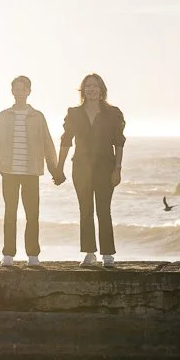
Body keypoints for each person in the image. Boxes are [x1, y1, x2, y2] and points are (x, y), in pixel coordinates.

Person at [0, 76, 62, 268]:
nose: (19, 93)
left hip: (31, 172)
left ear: (29, 91)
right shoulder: (3, 116)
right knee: (10, 213)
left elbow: (48, 144)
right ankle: (8, 254)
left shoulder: (37, 116)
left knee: (32, 214)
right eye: (16, 89)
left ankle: (33, 255)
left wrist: (55, 169)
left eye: (23, 89)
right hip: (9, 172)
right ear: (12, 91)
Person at [57, 73, 127, 267]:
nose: (91, 89)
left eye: (95, 86)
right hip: (81, 167)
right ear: (83, 90)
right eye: (88, 86)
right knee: (85, 209)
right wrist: (59, 167)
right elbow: (65, 141)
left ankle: (107, 255)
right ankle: (89, 253)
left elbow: (119, 142)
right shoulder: (74, 113)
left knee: (104, 210)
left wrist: (118, 169)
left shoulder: (113, 113)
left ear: (101, 89)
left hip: (106, 167)